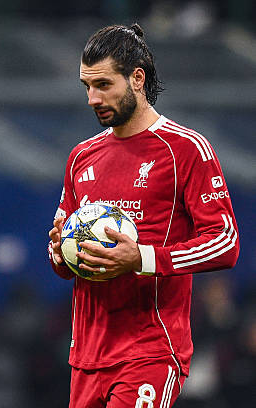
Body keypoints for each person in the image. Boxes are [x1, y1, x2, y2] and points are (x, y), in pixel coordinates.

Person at [47, 24, 239, 408]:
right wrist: (59, 252)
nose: (92, 98)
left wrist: (141, 258)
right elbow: (66, 263)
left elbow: (225, 243)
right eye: (87, 86)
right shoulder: (81, 156)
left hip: (149, 351)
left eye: (103, 84)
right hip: (87, 355)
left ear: (137, 78)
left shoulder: (185, 149)